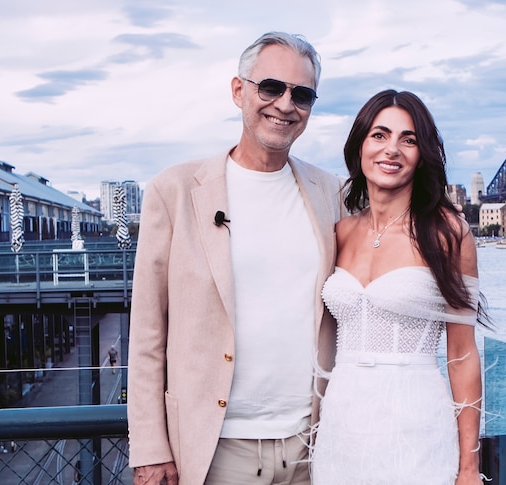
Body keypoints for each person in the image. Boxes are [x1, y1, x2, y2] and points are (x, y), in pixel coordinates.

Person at [127, 32, 343, 485]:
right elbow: (147, 332)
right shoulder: (175, 191)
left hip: (315, 446)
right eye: (271, 87)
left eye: (302, 94)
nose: (285, 104)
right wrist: (149, 447)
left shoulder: (332, 194)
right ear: (238, 90)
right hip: (217, 450)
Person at [311, 90, 489, 485]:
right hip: (342, 422)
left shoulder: (447, 233)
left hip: (417, 424)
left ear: (422, 154)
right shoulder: (341, 232)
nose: (392, 149)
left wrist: (469, 467)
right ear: (360, 145)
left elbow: (461, 355)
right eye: (380, 135)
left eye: (408, 140)